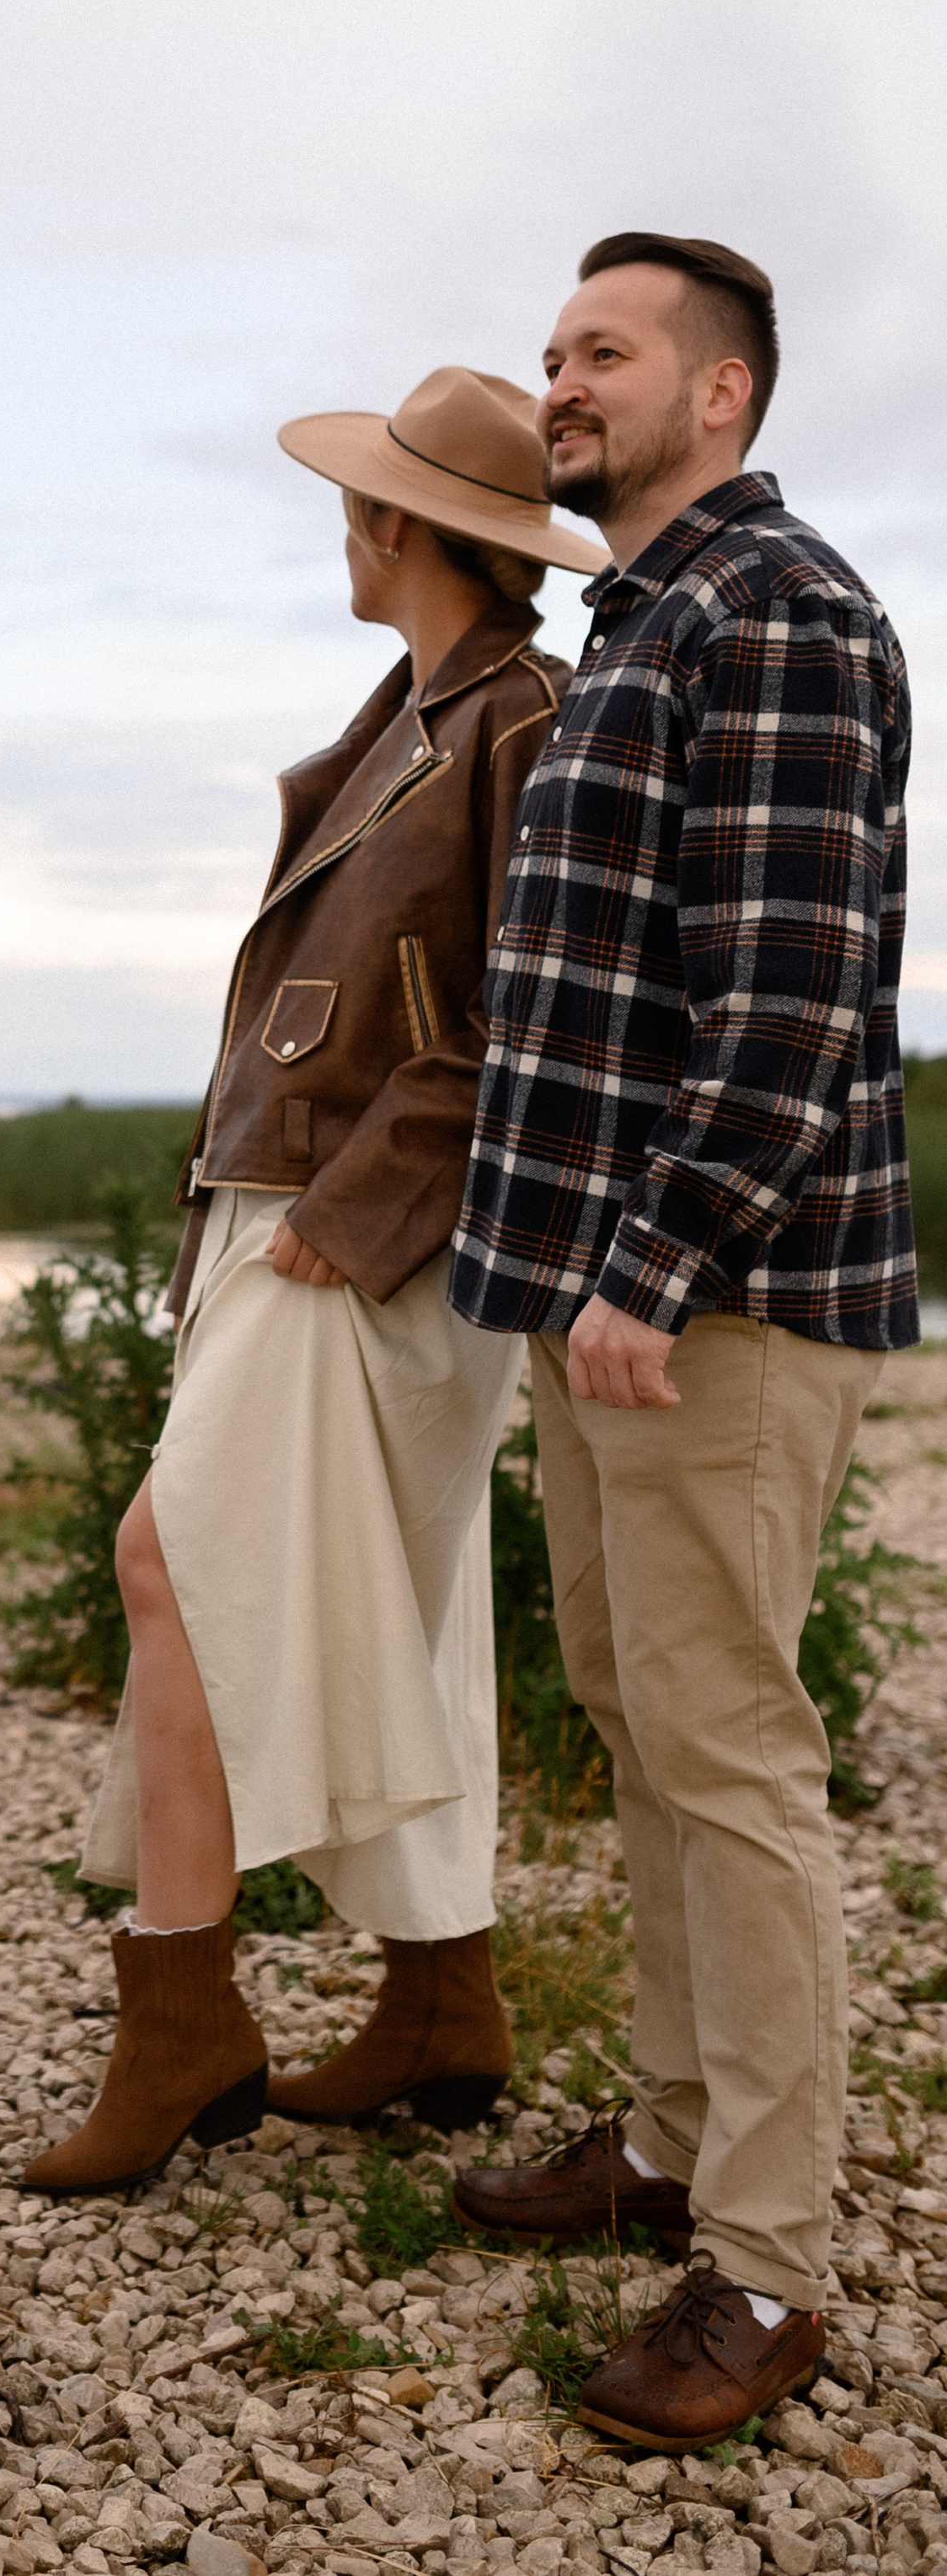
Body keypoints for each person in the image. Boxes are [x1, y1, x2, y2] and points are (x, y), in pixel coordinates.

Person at [23, 367, 597, 2196]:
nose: (336, 526)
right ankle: (442, 1996)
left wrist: (342, 1212)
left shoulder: (520, 720)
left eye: (360, 503)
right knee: (400, 1606)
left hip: (366, 1239)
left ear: (408, 530)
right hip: (302, 1220)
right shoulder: (408, 715)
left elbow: (528, 1020)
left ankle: (180, 2014)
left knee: (165, 1556)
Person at [449, 234, 918, 2446]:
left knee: (732, 1757)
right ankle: (661, 2134)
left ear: (718, 392)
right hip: (602, 1290)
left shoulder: (783, 614)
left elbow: (798, 996)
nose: (564, 382)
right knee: (644, 1720)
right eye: (553, 352)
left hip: (713, 1299)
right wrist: (571, 1274)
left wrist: (653, 1258)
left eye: (602, 352)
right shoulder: (646, 619)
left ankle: (768, 2266)